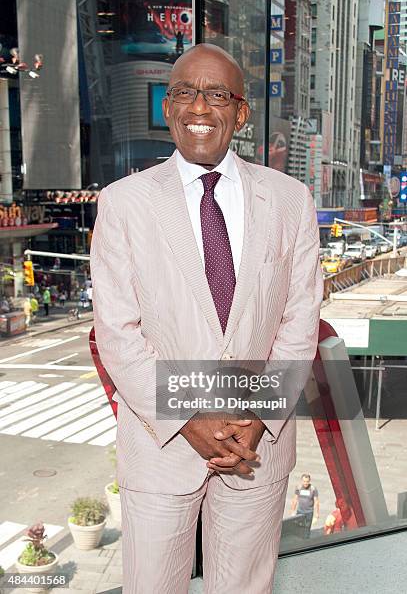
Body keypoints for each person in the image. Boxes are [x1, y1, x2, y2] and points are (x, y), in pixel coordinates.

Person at [90, 43, 323, 593]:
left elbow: (299, 321)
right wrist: (188, 419)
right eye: (184, 93)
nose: (199, 106)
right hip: (160, 446)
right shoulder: (123, 204)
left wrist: (257, 417)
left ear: (241, 113)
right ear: (168, 108)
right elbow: (118, 334)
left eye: (216, 94)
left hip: (256, 445)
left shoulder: (290, 200)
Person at [290, 473, 320, 539]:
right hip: (300, 511)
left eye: (307, 481)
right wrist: (292, 511)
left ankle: (306, 540)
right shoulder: (298, 488)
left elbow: (316, 501)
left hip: (309, 512)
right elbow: (295, 499)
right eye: (304, 481)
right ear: (301, 481)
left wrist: (316, 514)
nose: (305, 483)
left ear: (309, 481)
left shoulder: (313, 489)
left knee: (307, 528)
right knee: (298, 527)